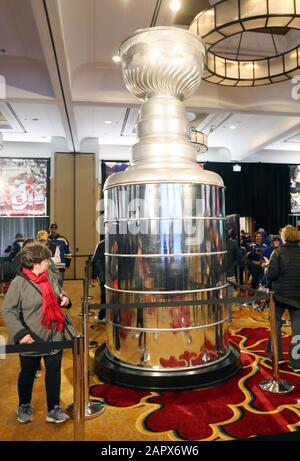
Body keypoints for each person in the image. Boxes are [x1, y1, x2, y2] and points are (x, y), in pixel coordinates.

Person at [2, 243, 71, 423]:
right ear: (35, 263)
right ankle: (24, 405)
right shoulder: (19, 283)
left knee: (54, 372)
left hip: (55, 334)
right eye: (46, 260)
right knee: (27, 373)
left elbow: (58, 291)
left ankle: (53, 408)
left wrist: (64, 298)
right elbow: (8, 310)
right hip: (31, 338)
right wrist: (21, 333)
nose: (50, 262)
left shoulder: (50, 276)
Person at [266, 225, 300, 371]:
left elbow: (271, 275)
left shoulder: (277, 252)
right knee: (298, 330)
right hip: (298, 296)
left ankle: (277, 357)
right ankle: (296, 362)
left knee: (276, 325)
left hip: (279, 296)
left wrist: (267, 268)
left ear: (284, 237)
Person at [225, 231, 240, 322]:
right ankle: (228, 318)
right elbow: (239, 257)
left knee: (215, 298)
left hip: (215, 276)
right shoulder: (233, 243)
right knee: (229, 298)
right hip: (229, 274)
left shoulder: (212, 243)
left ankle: (217, 318)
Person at [91, 239, 106, 323]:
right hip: (120, 275)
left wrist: (94, 275)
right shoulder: (123, 241)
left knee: (104, 295)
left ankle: (102, 316)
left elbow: (95, 261)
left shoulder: (101, 244)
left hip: (105, 275)